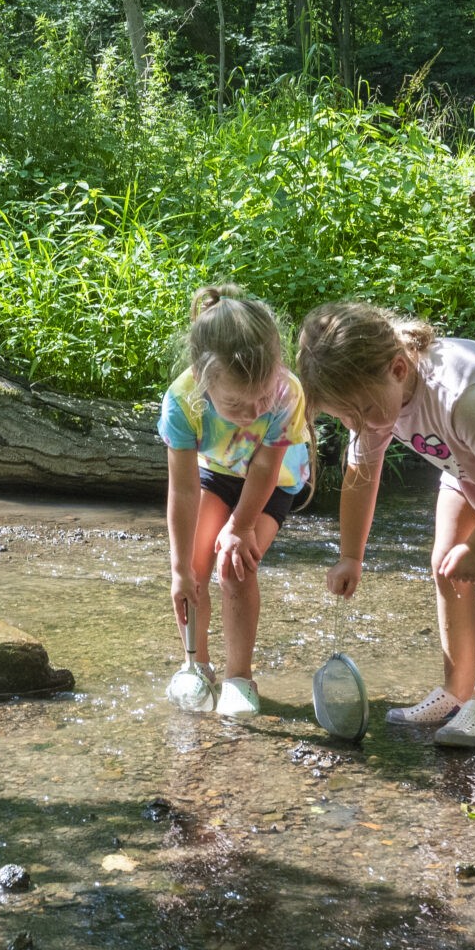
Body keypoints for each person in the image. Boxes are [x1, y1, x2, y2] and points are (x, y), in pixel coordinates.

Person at [295, 301, 475, 747]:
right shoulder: (375, 399)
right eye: (345, 418)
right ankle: (457, 692)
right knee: (444, 564)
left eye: (362, 413)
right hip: (468, 464)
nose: (358, 425)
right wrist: (351, 555)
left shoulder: (459, 393)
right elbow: (360, 476)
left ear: (396, 368)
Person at [159, 283, 313, 718]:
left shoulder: (287, 393)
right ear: (205, 379)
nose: (253, 411)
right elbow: (184, 489)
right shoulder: (182, 401)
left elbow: (265, 469)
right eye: (237, 403)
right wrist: (177, 569)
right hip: (216, 472)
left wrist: (240, 526)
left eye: (261, 398)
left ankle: (239, 678)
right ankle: (196, 666)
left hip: (273, 480)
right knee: (193, 567)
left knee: (236, 563)